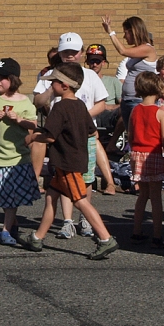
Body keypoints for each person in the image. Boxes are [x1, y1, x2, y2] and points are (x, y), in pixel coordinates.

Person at [20, 63, 119, 260]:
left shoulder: (60, 107)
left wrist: (32, 138)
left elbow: (49, 137)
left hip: (67, 163)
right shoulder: (80, 106)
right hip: (73, 160)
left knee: (80, 201)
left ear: (64, 85)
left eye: (54, 83)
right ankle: (37, 237)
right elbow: (91, 130)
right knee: (51, 197)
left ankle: (106, 238)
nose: (51, 86)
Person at [33, 32, 111, 237]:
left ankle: (87, 221)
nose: (70, 56)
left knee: (84, 179)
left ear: (81, 52)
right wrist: (51, 87)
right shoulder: (52, 76)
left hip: (83, 134)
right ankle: (67, 221)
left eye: (74, 52)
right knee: (64, 179)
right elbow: (38, 102)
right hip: (60, 136)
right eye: (65, 52)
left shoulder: (90, 75)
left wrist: (78, 117)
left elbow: (101, 103)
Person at [0, 58, 40, 245]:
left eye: (3, 78)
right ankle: (11, 224)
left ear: (13, 79)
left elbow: (34, 126)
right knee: (4, 196)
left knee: (11, 197)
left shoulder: (25, 101)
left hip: (19, 157)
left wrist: (19, 119)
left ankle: (5, 230)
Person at [128, 72, 164, 248]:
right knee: (156, 197)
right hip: (153, 155)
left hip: (137, 153)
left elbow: (131, 135)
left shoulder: (135, 110)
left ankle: (136, 231)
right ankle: (157, 235)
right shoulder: (160, 112)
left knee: (142, 195)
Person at [101, 15, 157, 131]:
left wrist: (110, 32)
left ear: (133, 32)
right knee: (130, 133)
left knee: (138, 132)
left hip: (138, 99)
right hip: (127, 99)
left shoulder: (148, 49)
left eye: (125, 32)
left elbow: (123, 51)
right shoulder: (137, 49)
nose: (124, 37)